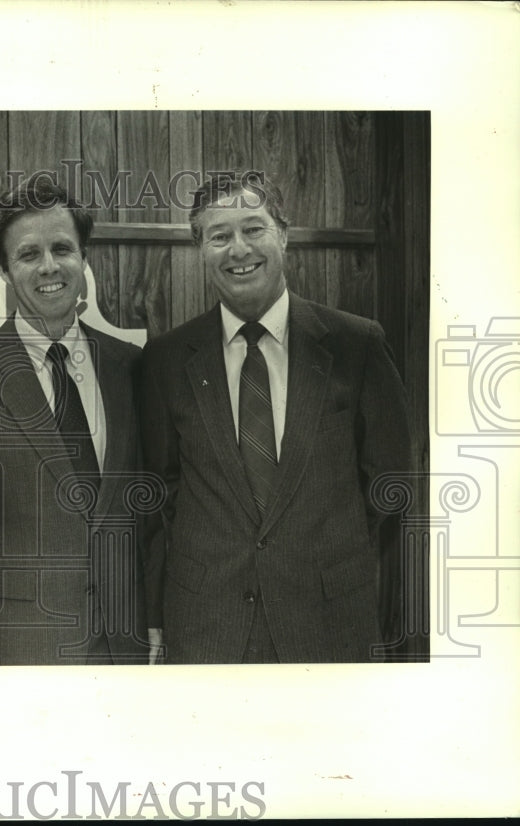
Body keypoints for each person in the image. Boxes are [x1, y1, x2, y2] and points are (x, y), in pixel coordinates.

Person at [140, 173, 411, 664]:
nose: (238, 249)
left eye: (254, 229)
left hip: (330, 625)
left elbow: (391, 488)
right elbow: (160, 495)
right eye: (219, 236)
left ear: (283, 235)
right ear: (200, 250)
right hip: (207, 628)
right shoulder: (166, 360)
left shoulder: (357, 345)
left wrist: (325, 560)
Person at [0, 177, 152, 665]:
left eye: (62, 248)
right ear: (4, 270)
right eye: (28, 254)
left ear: (84, 258)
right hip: (23, 654)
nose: (49, 266)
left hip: (126, 651)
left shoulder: (132, 367)